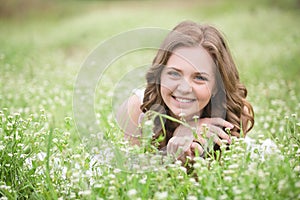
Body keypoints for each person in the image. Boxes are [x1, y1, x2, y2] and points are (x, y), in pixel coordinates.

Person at [117, 20, 254, 164]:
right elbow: (134, 176)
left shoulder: (234, 114)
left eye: (199, 78)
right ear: (160, 75)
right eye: (174, 74)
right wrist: (173, 156)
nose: (184, 88)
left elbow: (223, 179)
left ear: (216, 86)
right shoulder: (137, 110)